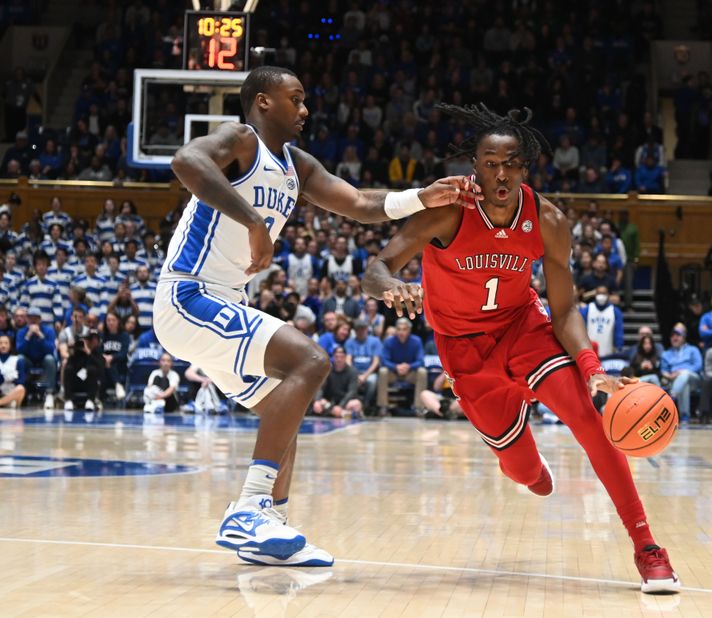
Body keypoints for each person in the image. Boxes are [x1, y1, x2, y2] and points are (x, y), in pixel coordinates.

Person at [152, 66, 474, 568]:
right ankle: (250, 508)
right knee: (311, 360)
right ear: (262, 102)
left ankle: (269, 527)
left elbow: (360, 203)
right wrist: (254, 220)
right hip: (189, 296)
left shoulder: (295, 165)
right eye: (295, 99)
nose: (305, 110)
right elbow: (185, 160)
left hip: (222, 303)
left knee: (284, 410)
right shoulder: (239, 139)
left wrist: (421, 196)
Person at [363, 102, 680, 593]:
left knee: (590, 421)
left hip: (524, 331)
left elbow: (567, 307)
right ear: (476, 167)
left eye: (510, 164)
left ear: (525, 167)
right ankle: (526, 466)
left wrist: (593, 369)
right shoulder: (447, 211)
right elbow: (376, 267)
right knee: (527, 474)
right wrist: (391, 288)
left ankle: (648, 549)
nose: (500, 174)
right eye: (490, 164)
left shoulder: (547, 219)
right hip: (464, 352)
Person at [376, 317, 427, 415]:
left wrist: (409, 366)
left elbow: (421, 361)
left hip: (410, 373)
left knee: (422, 372)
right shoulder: (389, 341)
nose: (401, 332)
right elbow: (384, 360)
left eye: (404, 329)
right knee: (383, 371)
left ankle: (419, 407)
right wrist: (396, 367)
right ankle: (383, 406)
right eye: (399, 329)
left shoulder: (417, 341)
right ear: (396, 330)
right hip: (394, 373)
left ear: (409, 330)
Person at [16, 307, 58, 410]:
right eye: (31, 318)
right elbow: (20, 350)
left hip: (43, 359)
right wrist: (28, 336)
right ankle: (21, 390)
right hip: (29, 360)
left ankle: (49, 393)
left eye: (36, 318)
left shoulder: (49, 331)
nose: (33, 320)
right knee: (20, 358)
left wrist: (40, 336)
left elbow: (50, 349)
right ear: (27, 319)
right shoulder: (22, 332)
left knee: (50, 359)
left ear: (40, 319)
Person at [660, 323, 703, 422]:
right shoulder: (666, 354)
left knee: (684, 375)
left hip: (693, 379)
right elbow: (663, 370)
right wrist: (669, 376)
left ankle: (671, 397)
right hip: (674, 380)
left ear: (684, 337)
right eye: (672, 336)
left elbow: (698, 366)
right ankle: (684, 416)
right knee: (684, 385)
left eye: (678, 335)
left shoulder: (693, 350)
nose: (675, 338)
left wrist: (681, 371)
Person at [310, 346, 362, 418]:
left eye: (341, 357)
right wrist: (317, 400)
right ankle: (342, 414)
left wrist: (340, 406)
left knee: (356, 404)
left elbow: (352, 392)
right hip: (329, 402)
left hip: (345, 402)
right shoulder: (328, 370)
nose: (339, 359)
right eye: (337, 357)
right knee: (319, 403)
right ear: (333, 357)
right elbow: (320, 388)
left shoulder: (352, 372)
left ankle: (338, 413)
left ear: (345, 357)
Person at [344, 318, 381, 410]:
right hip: (354, 372)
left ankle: (366, 405)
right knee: (350, 380)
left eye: (363, 328)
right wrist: (355, 375)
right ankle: (351, 404)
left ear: (367, 329)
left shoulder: (375, 341)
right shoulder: (350, 342)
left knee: (373, 381)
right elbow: (348, 360)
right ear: (355, 330)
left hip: (369, 373)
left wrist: (365, 375)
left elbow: (376, 361)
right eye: (358, 329)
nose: (360, 331)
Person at [63, 330, 104, 412]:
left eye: (94, 339)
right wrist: (72, 351)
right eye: (90, 339)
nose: (92, 341)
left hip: (90, 383)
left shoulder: (97, 352)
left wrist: (89, 353)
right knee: (68, 369)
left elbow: (100, 367)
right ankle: (68, 400)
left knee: (92, 370)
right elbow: (71, 366)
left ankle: (90, 401)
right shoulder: (77, 352)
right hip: (76, 381)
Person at [579, 285, 624, 357]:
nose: (601, 296)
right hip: (590, 353)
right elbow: (580, 330)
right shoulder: (586, 309)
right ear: (595, 294)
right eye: (599, 293)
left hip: (608, 352)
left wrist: (619, 347)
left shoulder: (615, 311)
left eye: (604, 293)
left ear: (608, 295)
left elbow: (618, 332)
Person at [101, 312, 130, 401]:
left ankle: (100, 396)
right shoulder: (102, 335)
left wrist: (112, 357)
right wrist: (104, 357)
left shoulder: (124, 335)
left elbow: (123, 353)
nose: (111, 322)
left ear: (118, 321)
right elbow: (98, 351)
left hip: (119, 365)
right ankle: (117, 385)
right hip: (104, 365)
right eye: (108, 320)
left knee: (110, 364)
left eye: (113, 320)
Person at [0, 334, 26, 408]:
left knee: (21, 388)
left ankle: (2, 402)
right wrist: (6, 377)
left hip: (12, 392)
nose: (3, 345)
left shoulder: (18, 360)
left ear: (10, 345)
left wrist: (8, 377)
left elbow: (21, 381)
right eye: (0, 343)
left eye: (6, 343)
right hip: (0, 391)